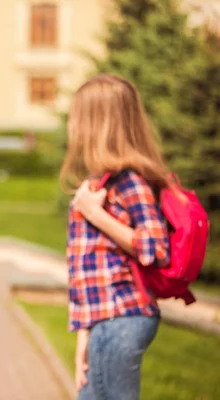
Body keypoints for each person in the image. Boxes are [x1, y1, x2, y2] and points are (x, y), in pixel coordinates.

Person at [60, 74, 170, 400]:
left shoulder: (129, 182)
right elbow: (85, 267)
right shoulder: (99, 181)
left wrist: (96, 215)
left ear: (96, 123)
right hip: (103, 323)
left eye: (77, 115)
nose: (72, 124)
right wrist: (84, 335)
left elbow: (155, 247)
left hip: (121, 318)